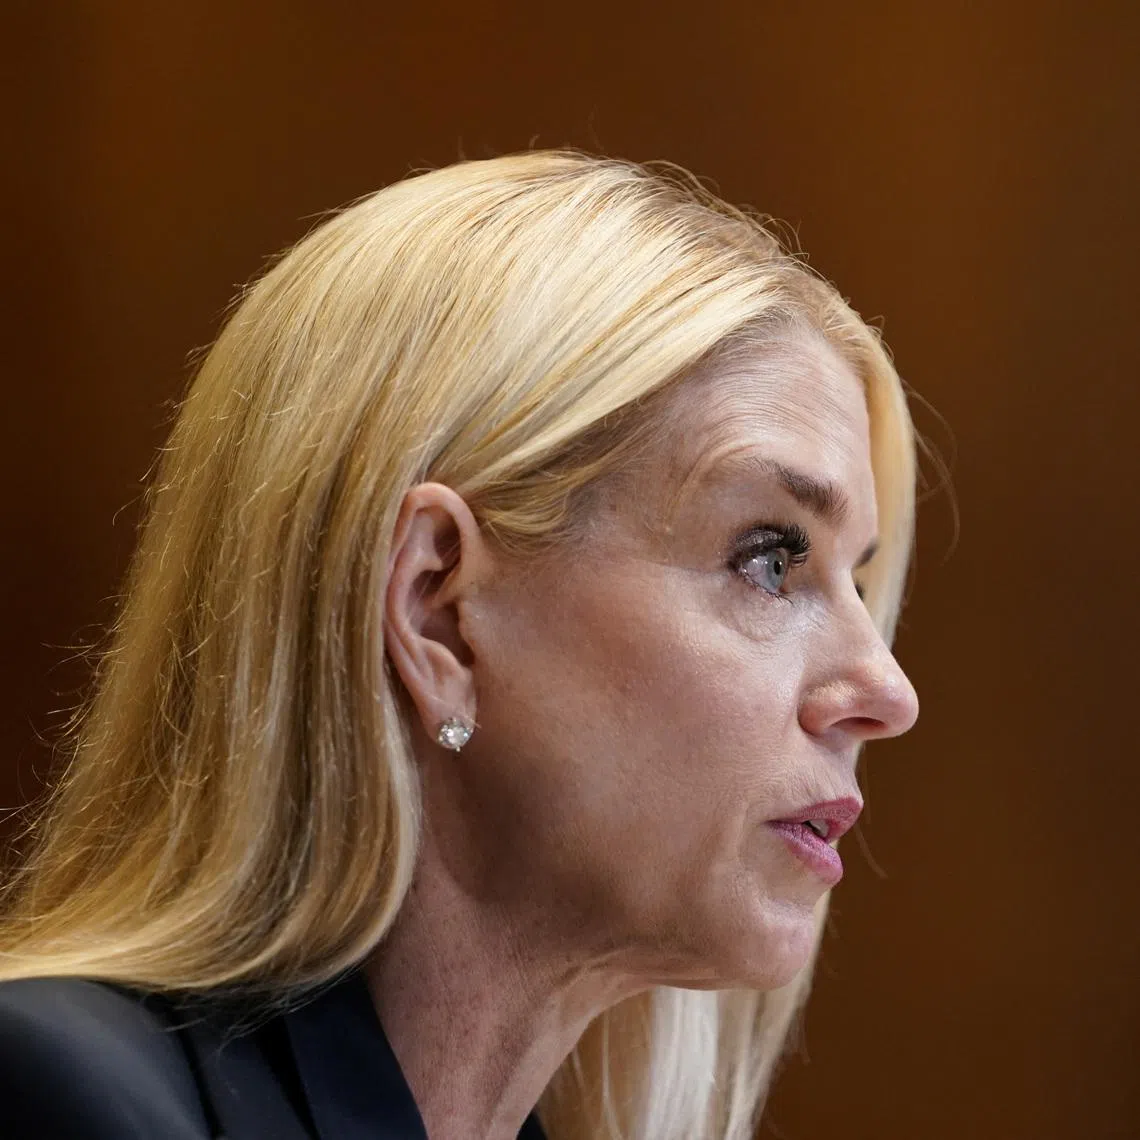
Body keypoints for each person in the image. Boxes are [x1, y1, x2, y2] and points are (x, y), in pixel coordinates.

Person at [0, 150, 920, 1140]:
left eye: (858, 583)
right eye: (770, 560)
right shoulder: (57, 1100)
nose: (887, 692)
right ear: (435, 608)